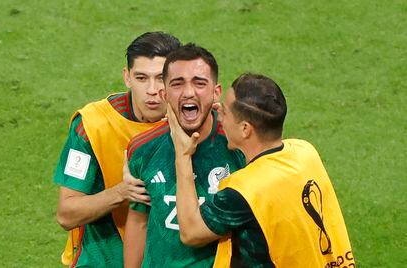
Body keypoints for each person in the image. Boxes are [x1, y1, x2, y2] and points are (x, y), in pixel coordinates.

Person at [168, 73, 356, 267]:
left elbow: (191, 232)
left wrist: (182, 156)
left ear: (245, 130)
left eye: (224, 111)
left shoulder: (244, 191)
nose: (218, 114)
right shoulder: (305, 151)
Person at [53, 31, 181, 267]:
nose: (152, 90)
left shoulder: (197, 124)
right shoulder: (92, 125)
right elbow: (66, 214)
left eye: (161, 78)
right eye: (141, 78)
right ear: (127, 77)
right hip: (101, 260)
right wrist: (122, 192)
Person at [123, 43, 246, 267]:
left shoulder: (239, 150)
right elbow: (139, 220)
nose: (189, 92)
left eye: (199, 83)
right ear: (164, 93)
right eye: (177, 84)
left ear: (216, 91)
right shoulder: (143, 149)